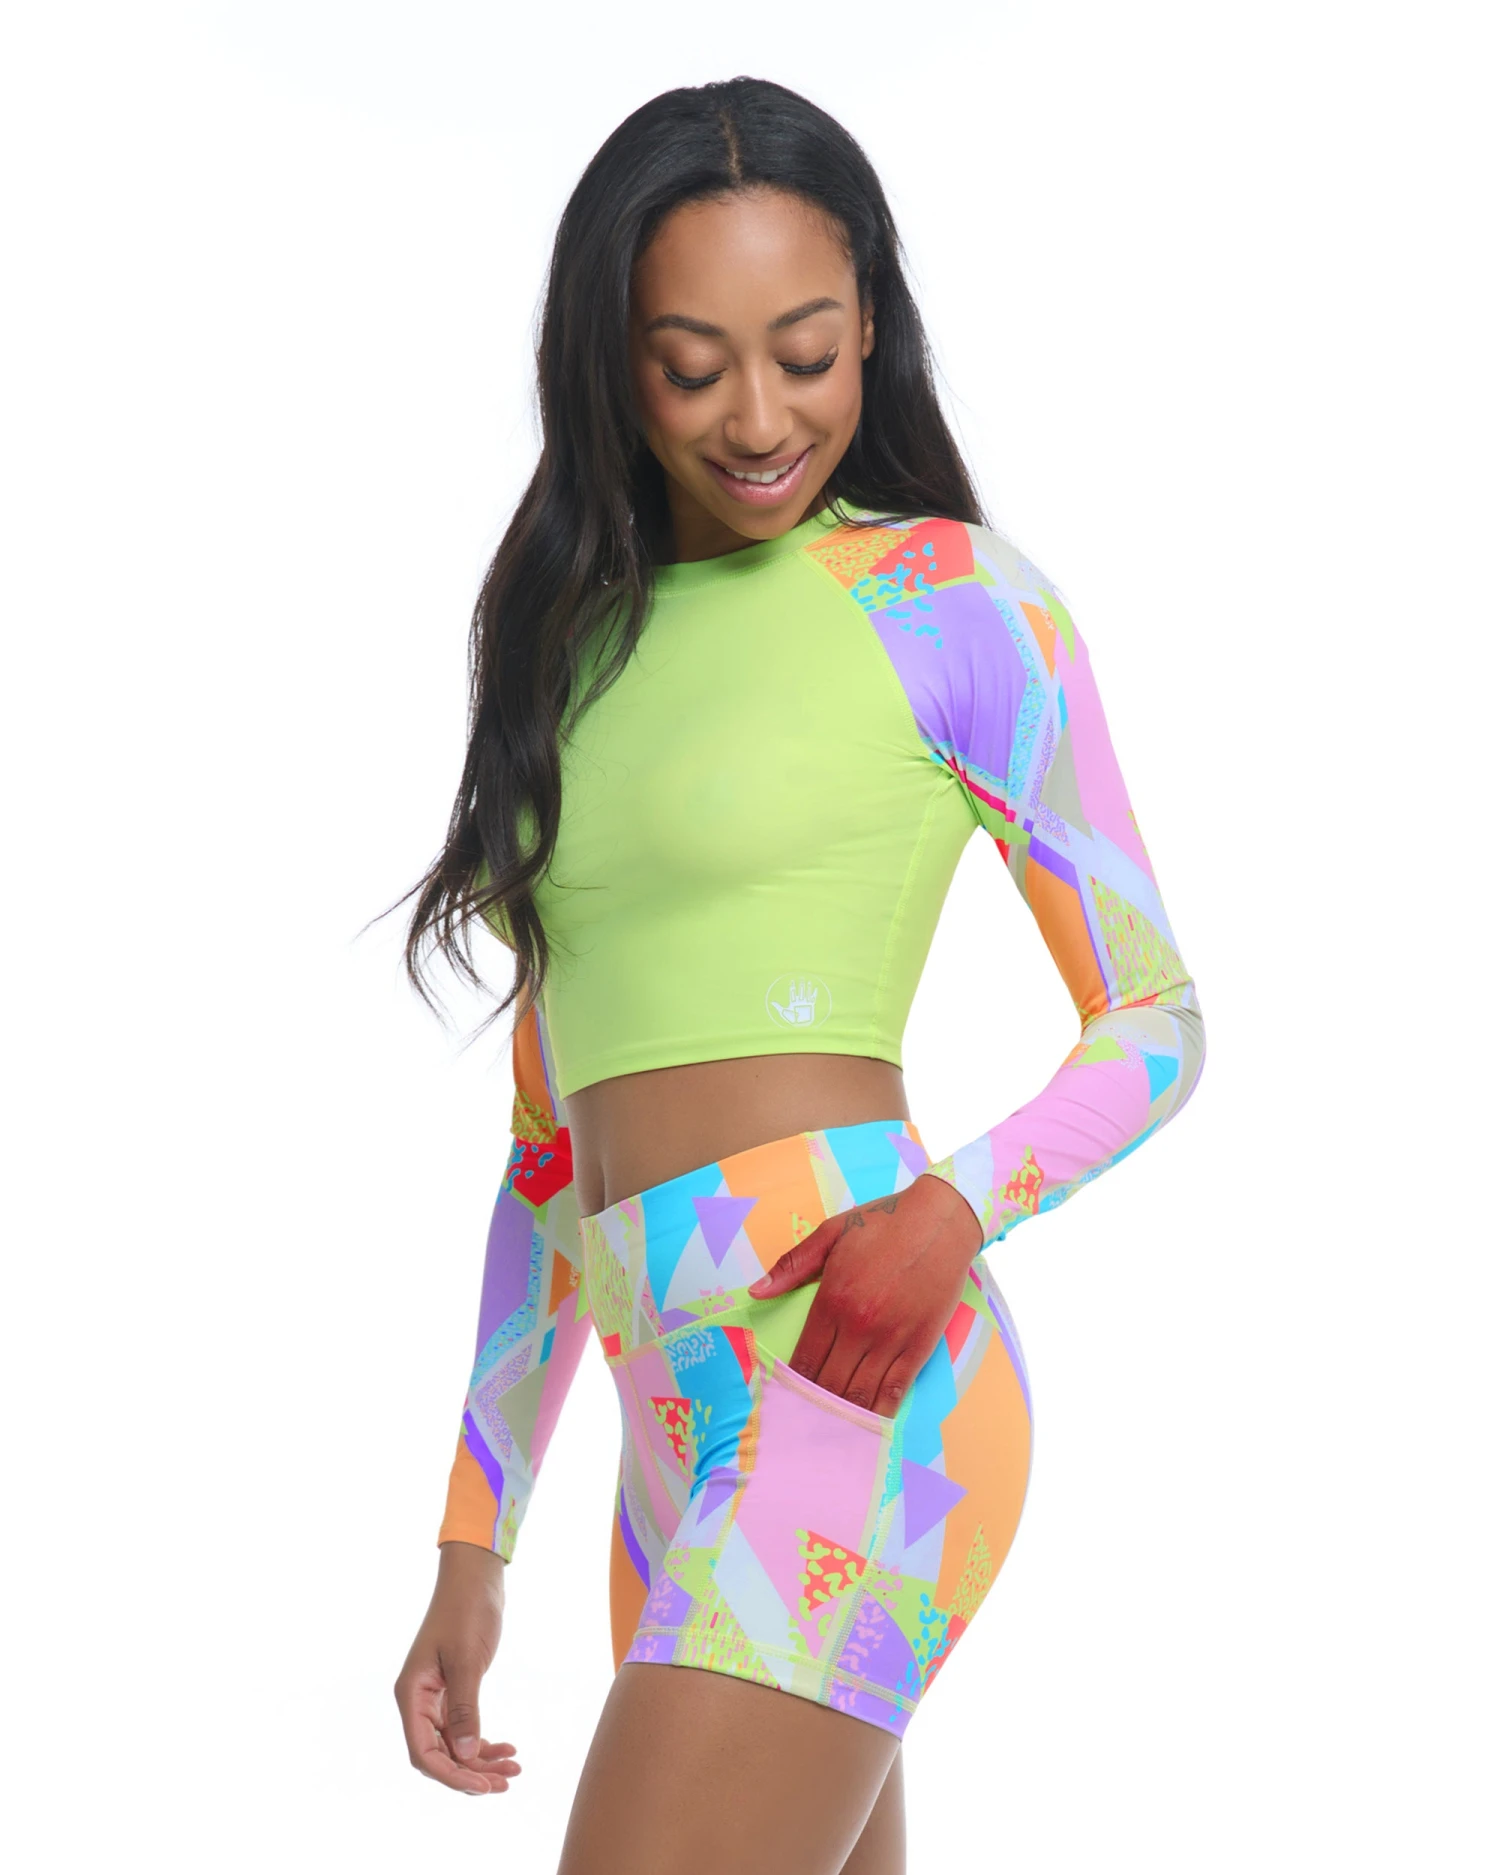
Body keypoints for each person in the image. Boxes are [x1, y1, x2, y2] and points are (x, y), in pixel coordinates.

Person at [391, 75, 1206, 1875]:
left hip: (858, 1370)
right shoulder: (564, 644)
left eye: (808, 354)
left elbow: (1157, 1017)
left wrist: (953, 1210)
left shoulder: (949, 602)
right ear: (610, 363)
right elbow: (548, 1150)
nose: (760, 418)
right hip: (665, 1413)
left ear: (872, 335)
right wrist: (473, 1534)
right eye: (692, 367)